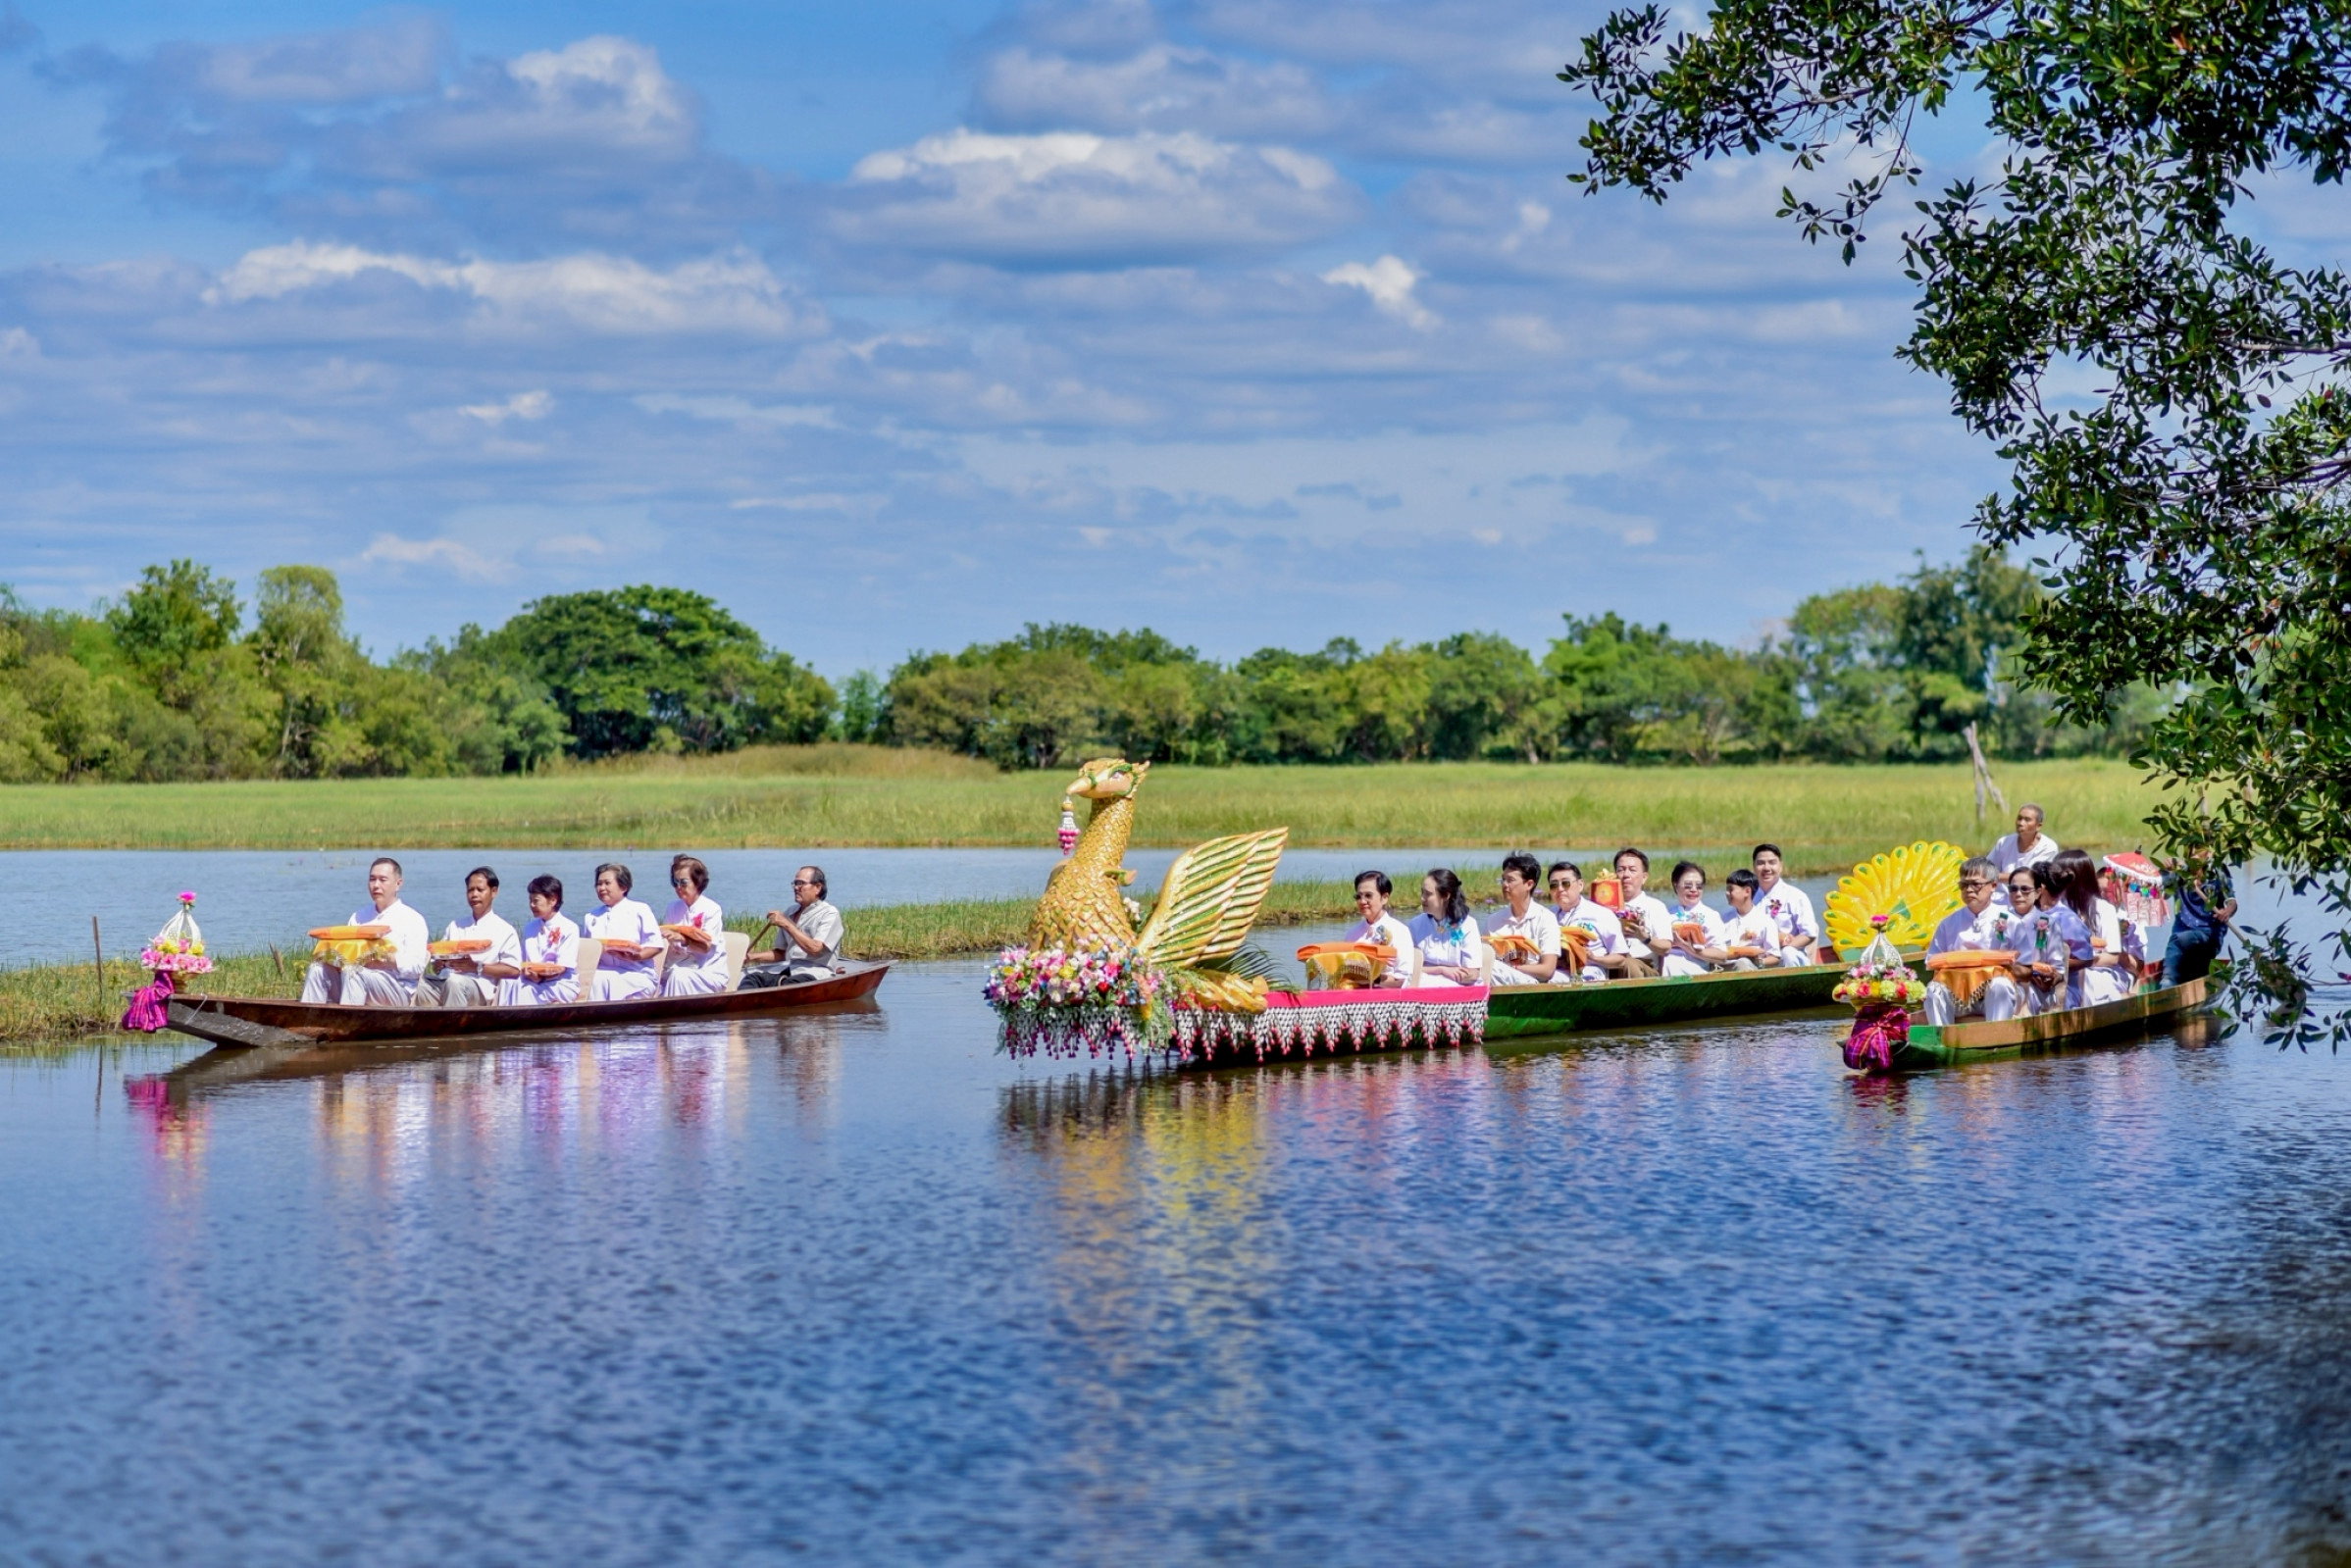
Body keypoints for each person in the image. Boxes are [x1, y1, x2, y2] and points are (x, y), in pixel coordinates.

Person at [299, 856, 430, 1006]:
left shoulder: (412, 919)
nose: (376, 885)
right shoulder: (359, 916)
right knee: (317, 969)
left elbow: (417, 966)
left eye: (383, 880)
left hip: (396, 988)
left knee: (353, 971)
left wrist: (388, 960)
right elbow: (346, 954)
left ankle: (348, 1019)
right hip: (352, 980)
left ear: (398, 884)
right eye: (372, 879)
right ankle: (308, 1017)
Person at [1923, 856, 2027, 1025]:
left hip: (1999, 992)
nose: (1969, 890)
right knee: (1934, 989)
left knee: (2000, 985)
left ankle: (1996, 1037)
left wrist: (1993, 968)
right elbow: (1931, 961)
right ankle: (1941, 1037)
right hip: (1959, 996)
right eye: (1964, 885)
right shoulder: (1948, 924)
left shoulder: (2011, 921)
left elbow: (2026, 968)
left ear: (1993, 886)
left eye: (1975, 884)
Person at [415, 866, 522, 1008]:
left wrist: (476, 967)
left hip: (478, 988)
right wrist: (438, 964)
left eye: (480, 890)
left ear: (494, 891)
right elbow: (437, 961)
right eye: (470, 890)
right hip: (444, 981)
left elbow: (514, 970)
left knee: (455, 982)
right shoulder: (456, 925)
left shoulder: (505, 930)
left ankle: (454, 1021)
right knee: (414, 985)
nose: (474, 894)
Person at [2054, 847, 2138, 1005]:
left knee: (2084, 977)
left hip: (2100, 971)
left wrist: (2079, 963)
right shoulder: (2057, 907)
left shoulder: (2103, 909)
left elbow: (2112, 958)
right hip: (2062, 968)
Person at [2011, 860, 2095, 1011]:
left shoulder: (2067, 919)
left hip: (2060, 988)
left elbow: (2086, 959)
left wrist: (2046, 967)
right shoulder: (2014, 916)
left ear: (2040, 889)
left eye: (2026, 887)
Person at [746, 865, 845, 980]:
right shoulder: (790, 912)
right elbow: (781, 954)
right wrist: (750, 957)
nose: (796, 888)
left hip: (814, 972)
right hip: (788, 968)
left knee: (790, 983)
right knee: (753, 979)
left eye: (801, 883)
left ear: (818, 887)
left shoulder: (829, 913)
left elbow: (815, 949)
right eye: (795, 883)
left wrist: (786, 924)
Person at [584, 862, 662, 1001]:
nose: (602, 888)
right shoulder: (591, 916)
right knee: (592, 979)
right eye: (599, 884)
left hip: (636, 973)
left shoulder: (640, 910)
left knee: (604, 980)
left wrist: (635, 957)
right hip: (602, 971)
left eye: (607, 883)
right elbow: (588, 950)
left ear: (623, 887)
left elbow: (656, 945)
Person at [500, 876, 581, 1005]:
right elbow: (524, 962)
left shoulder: (570, 928)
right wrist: (527, 972)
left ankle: (518, 1016)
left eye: (536, 901)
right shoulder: (530, 927)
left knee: (525, 991)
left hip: (560, 983)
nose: (532, 905)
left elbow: (562, 968)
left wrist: (540, 977)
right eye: (530, 901)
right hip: (532, 980)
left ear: (553, 900)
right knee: (507, 982)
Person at [658, 854, 731, 997]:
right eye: (674, 882)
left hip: (707, 971)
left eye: (683, 883)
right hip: (677, 966)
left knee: (678, 976)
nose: (678, 887)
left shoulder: (712, 909)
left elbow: (705, 947)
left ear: (697, 882)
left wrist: (683, 939)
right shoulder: (673, 907)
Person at [2161, 851, 2238, 986]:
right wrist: (2166, 871)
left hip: (2209, 935)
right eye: (2191, 849)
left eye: (2198, 848)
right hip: (2180, 935)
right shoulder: (2179, 872)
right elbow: (2161, 893)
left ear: (2208, 854)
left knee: (2181, 941)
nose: (2194, 853)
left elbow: (2232, 902)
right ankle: (2168, 985)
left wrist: (2227, 912)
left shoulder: (2218, 872)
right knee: (2168, 978)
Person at [1485, 853, 1561, 986]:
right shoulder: (1493, 921)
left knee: (1489, 967)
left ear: (1529, 884)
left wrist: (1511, 968)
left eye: (1510, 880)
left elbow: (1547, 970)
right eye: (1503, 880)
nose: (1504, 885)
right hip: (1497, 979)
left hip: (1532, 981)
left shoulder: (1546, 919)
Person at [1546, 862, 1623, 984]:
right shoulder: (1546, 917)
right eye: (1554, 885)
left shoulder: (1601, 915)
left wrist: (1594, 958)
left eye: (1565, 883)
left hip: (1590, 970)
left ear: (1580, 885)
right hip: (1555, 970)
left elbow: (1621, 959)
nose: (1560, 889)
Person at [1603, 846, 1672, 980]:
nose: (1626, 875)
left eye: (1632, 870)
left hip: (1643, 966)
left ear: (1644, 877)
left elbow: (1666, 948)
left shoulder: (1655, 906)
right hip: (1608, 963)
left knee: (1627, 962)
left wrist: (1643, 937)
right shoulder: (1604, 908)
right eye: (1621, 870)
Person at [1407, 868, 1483, 986]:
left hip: (1458, 987)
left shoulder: (1468, 925)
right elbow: (1407, 968)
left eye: (1428, 894)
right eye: (1422, 892)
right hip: (1424, 985)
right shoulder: (1415, 925)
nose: (1422, 898)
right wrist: (1440, 970)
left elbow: (1473, 974)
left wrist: (1448, 979)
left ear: (1446, 895)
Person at [1341, 871, 1413, 987]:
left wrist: (1372, 980)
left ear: (1384, 898)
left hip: (1387, 996)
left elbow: (1404, 980)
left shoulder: (1400, 931)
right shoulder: (1352, 934)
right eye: (1358, 897)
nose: (1362, 901)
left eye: (1368, 896)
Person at [1751, 844, 1818, 965]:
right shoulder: (1748, 898)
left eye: (1772, 862)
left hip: (1789, 955)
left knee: (1788, 953)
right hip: (1759, 958)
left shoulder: (1795, 896)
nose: (1766, 868)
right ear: (1754, 867)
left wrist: (1778, 951)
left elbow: (1809, 933)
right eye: (1761, 863)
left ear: (1781, 866)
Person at [1660, 861, 1730, 978]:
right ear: (1676, 885)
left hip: (1695, 970)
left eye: (1699, 886)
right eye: (1688, 886)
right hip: (1664, 967)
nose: (1694, 890)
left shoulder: (1711, 916)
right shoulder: (1665, 914)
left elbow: (1722, 955)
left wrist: (1687, 947)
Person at [1718, 869, 1784, 969]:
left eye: (1731, 889)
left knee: (1742, 963)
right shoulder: (1722, 919)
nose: (1726, 893)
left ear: (1747, 891)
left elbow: (1774, 957)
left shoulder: (1765, 922)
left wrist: (1759, 963)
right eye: (1727, 889)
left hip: (1752, 969)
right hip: (1724, 967)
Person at [1990, 803, 2061, 892]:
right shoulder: (2003, 842)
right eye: (2019, 818)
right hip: (2000, 896)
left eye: (2027, 820)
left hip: (2029, 897)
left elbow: (2028, 878)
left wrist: (1992, 876)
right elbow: (1987, 868)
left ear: (2038, 826)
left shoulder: (2048, 847)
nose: (2021, 823)